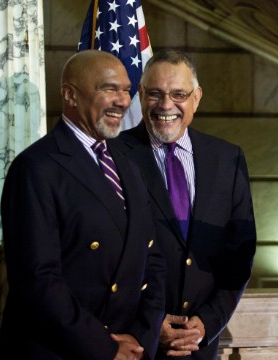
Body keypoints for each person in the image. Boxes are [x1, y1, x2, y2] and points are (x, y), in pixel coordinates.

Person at [0, 50, 166, 360]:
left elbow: (152, 258)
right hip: (63, 351)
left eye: (127, 90)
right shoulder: (36, 167)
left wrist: (140, 338)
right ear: (70, 95)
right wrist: (106, 348)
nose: (124, 101)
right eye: (109, 89)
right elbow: (39, 280)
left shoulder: (128, 164)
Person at [115, 49, 257, 359]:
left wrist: (208, 322)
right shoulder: (113, 156)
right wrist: (149, 322)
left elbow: (240, 253)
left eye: (178, 94)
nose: (166, 105)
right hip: (135, 343)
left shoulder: (227, 159)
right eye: (155, 93)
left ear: (197, 97)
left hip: (200, 346)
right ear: (140, 94)